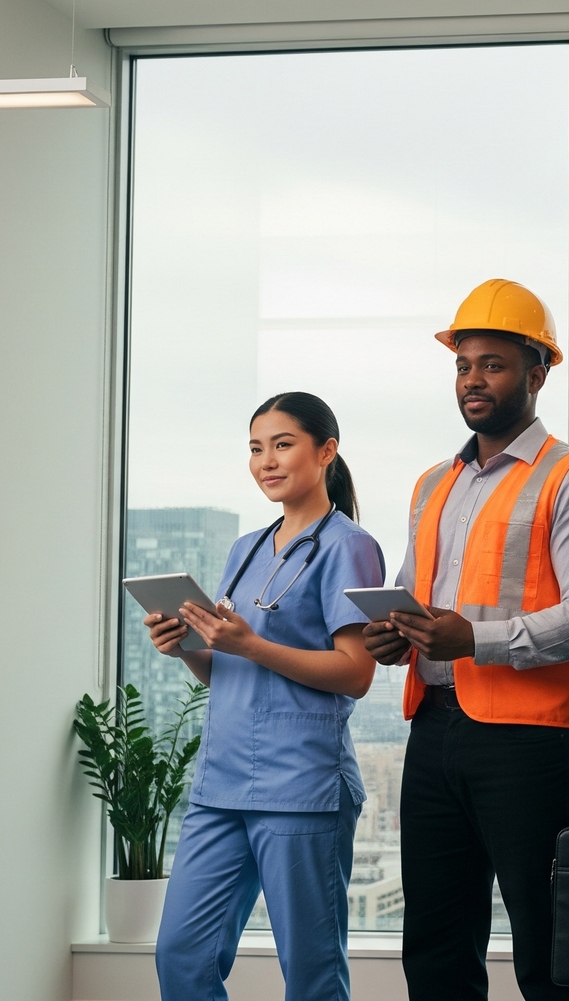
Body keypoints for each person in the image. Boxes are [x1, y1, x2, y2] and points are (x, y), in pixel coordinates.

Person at [361, 278, 569, 1001]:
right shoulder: (434, 481)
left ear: (537, 373)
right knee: (434, 946)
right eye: (464, 364)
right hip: (432, 731)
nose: (473, 379)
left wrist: (477, 638)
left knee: (553, 952)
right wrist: (394, 634)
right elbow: (416, 591)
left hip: (528, 740)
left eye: (491, 364)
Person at [145, 392, 384, 1001]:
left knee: (310, 973)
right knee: (180, 956)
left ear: (326, 451)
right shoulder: (245, 547)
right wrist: (184, 649)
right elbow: (228, 669)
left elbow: (356, 672)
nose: (266, 461)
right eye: (256, 448)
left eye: (283, 445)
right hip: (222, 784)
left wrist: (249, 646)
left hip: (300, 786)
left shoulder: (349, 546)